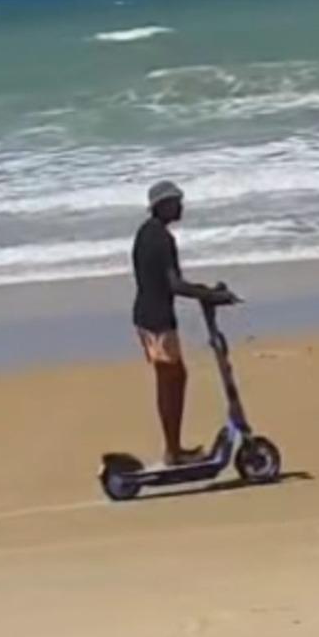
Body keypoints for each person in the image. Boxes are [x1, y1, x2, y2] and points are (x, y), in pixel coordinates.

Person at [132, 181, 237, 466]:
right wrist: (211, 295)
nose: (181, 207)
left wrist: (205, 290)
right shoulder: (162, 239)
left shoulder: (146, 233)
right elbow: (175, 285)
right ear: (162, 205)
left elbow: (166, 282)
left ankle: (173, 448)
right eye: (176, 202)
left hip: (146, 315)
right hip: (157, 320)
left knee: (171, 379)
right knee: (172, 380)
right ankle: (173, 451)